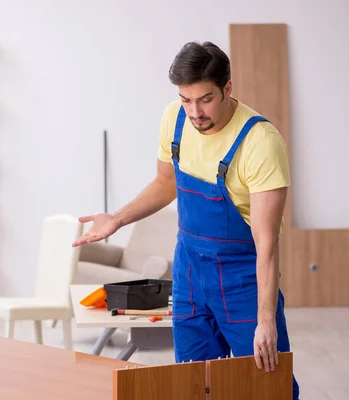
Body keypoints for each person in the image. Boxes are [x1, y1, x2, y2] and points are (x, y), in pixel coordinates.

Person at [72, 41, 300, 399]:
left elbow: (266, 242)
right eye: (185, 99)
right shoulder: (174, 119)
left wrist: (266, 320)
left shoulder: (260, 142)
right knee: (192, 385)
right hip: (189, 271)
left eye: (205, 99)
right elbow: (166, 183)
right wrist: (117, 218)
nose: (195, 112)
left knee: (265, 385)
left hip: (243, 279)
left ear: (227, 88)